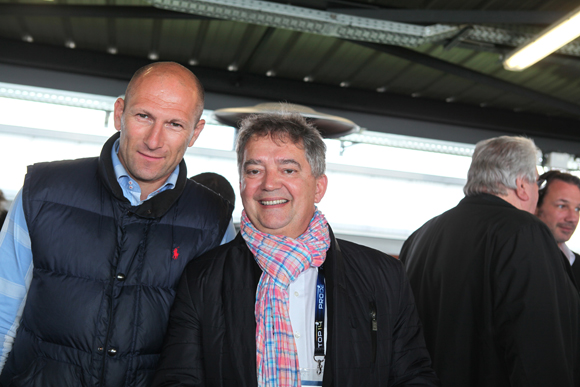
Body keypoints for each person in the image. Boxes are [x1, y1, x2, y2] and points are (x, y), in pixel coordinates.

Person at [151, 111, 439, 387]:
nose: (269, 183)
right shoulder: (203, 278)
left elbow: (412, 377)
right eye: (254, 170)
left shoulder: (383, 277)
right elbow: (178, 380)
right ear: (241, 184)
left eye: (288, 169)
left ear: (318, 187)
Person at [0, 62, 234, 387]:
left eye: (175, 124)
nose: (154, 140)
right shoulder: (43, 192)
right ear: (119, 113)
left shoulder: (214, 221)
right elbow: (2, 312)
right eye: (143, 116)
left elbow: (213, 347)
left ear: (195, 132)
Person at [399, 136, 580, 387]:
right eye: (536, 183)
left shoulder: (422, 235)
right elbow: (537, 348)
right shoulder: (523, 231)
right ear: (522, 186)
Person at [536, 170, 580, 282]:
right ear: (536, 205)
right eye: (562, 206)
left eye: (577, 209)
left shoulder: (576, 264)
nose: (573, 218)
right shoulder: (517, 260)